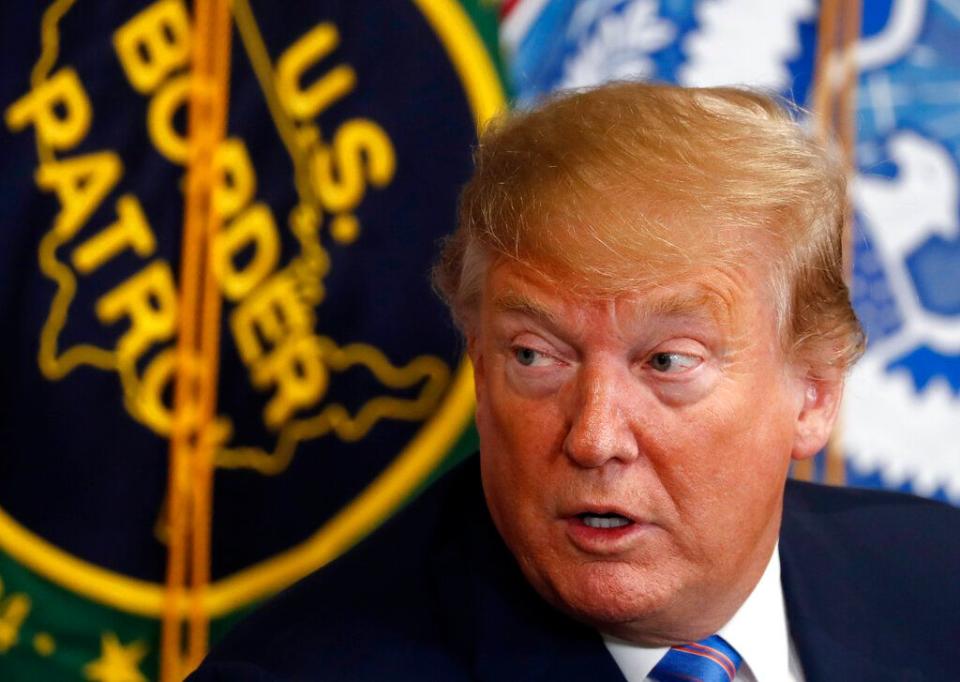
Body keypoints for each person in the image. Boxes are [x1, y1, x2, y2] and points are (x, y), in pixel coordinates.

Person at [190, 82, 960, 681]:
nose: (593, 438)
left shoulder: (936, 579)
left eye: (666, 362)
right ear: (479, 365)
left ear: (815, 394)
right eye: (534, 356)